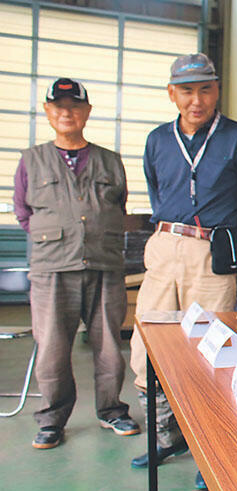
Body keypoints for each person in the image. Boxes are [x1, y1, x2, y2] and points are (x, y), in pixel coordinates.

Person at [128, 53, 237, 490]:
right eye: (186, 91)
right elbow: (156, 187)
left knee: (210, 354)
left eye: (205, 89)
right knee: (149, 346)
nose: (196, 99)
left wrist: (234, 248)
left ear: (217, 90)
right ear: (172, 94)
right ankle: (166, 437)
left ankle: (209, 455)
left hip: (213, 253)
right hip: (165, 247)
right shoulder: (157, 140)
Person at [13, 78, 140, 449]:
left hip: (104, 265)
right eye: (58, 106)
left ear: (87, 111)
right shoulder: (31, 160)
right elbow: (24, 212)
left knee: (109, 347)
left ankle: (112, 410)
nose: (66, 112)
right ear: (48, 111)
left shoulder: (110, 161)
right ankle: (52, 420)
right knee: (52, 348)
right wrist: (57, 235)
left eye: (74, 106)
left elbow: (119, 207)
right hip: (52, 269)